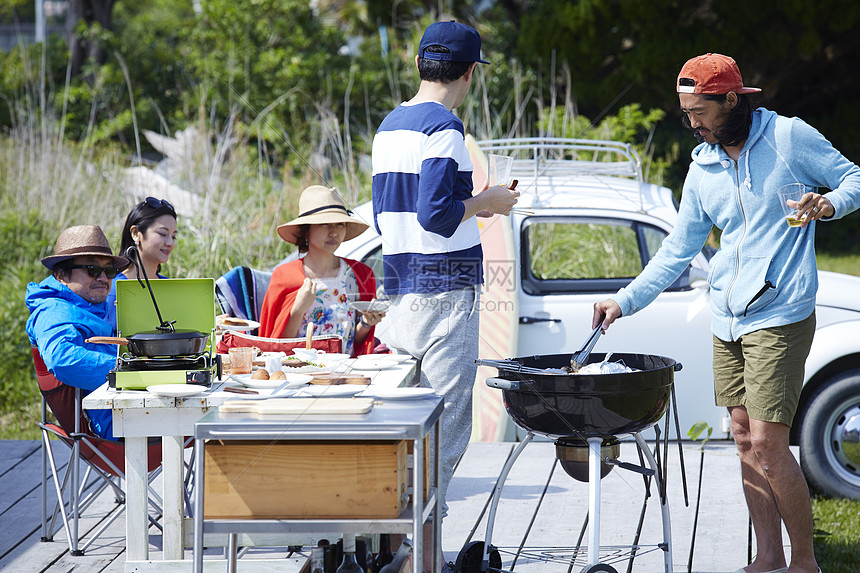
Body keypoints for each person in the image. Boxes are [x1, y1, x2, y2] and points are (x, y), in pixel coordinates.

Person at [593, 53, 860, 573]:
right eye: (686, 113)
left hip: (780, 312)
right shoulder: (703, 167)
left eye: (700, 112)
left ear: (731, 101)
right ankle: (767, 557)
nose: (692, 123)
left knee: (767, 440)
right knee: (740, 437)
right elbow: (677, 249)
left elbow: (854, 178)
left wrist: (827, 205)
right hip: (727, 318)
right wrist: (624, 301)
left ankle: (805, 563)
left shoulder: (788, 138)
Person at [370, 20, 519, 570]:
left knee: (401, 429)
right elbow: (437, 214)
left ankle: (401, 550)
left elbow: (388, 214)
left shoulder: (390, 125)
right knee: (443, 435)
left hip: (402, 289)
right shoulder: (446, 129)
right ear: (470, 72)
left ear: (418, 65)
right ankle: (424, 561)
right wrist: (490, 201)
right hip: (447, 291)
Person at [26, 225, 131, 441]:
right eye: (92, 269)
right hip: (115, 425)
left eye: (109, 271)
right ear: (61, 274)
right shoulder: (53, 310)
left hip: (125, 410)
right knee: (210, 423)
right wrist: (132, 372)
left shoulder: (84, 308)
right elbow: (63, 359)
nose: (103, 277)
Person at [258, 185, 384, 356]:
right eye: (324, 224)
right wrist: (297, 311)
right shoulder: (285, 276)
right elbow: (276, 347)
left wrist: (366, 323)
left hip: (346, 374)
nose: (334, 232)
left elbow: (355, 342)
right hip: (301, 375)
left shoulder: (359, 274)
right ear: (306, 230)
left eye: (340, 224)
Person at [106, 196, 178, 322]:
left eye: (173, 237)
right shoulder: (113, 290)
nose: (170, 243)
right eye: (162, 234)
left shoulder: (172, 288)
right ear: (135, 233)